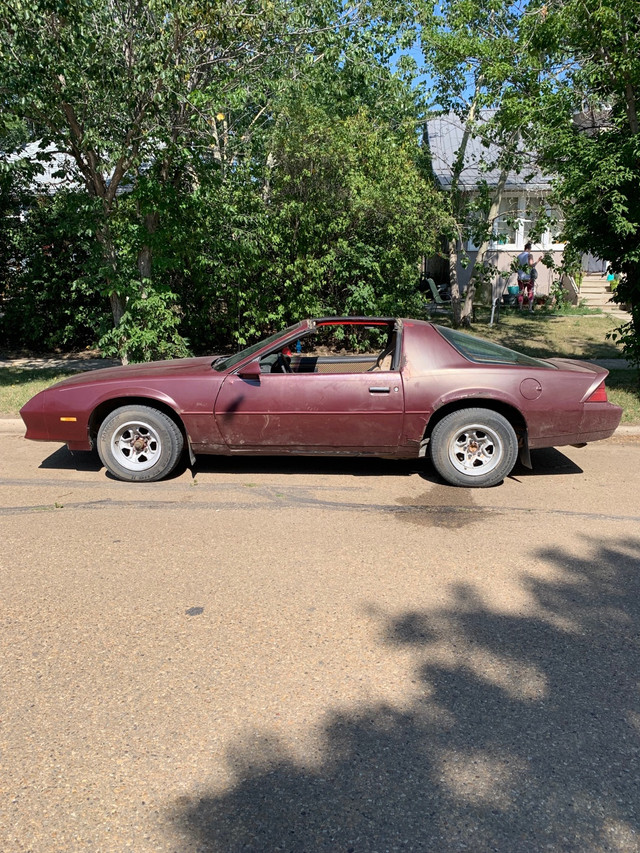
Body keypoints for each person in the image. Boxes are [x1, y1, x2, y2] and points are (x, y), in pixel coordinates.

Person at [516, 242, 538, 311]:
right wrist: (538, 261)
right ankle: (530, 308)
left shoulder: (519, 256)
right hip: (528, 277)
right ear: (529, 249)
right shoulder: (529, 255)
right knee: (530, 292)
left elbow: (516, 267)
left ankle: (520, 308)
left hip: (520, 277)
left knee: (521, 292)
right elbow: (531, 265)